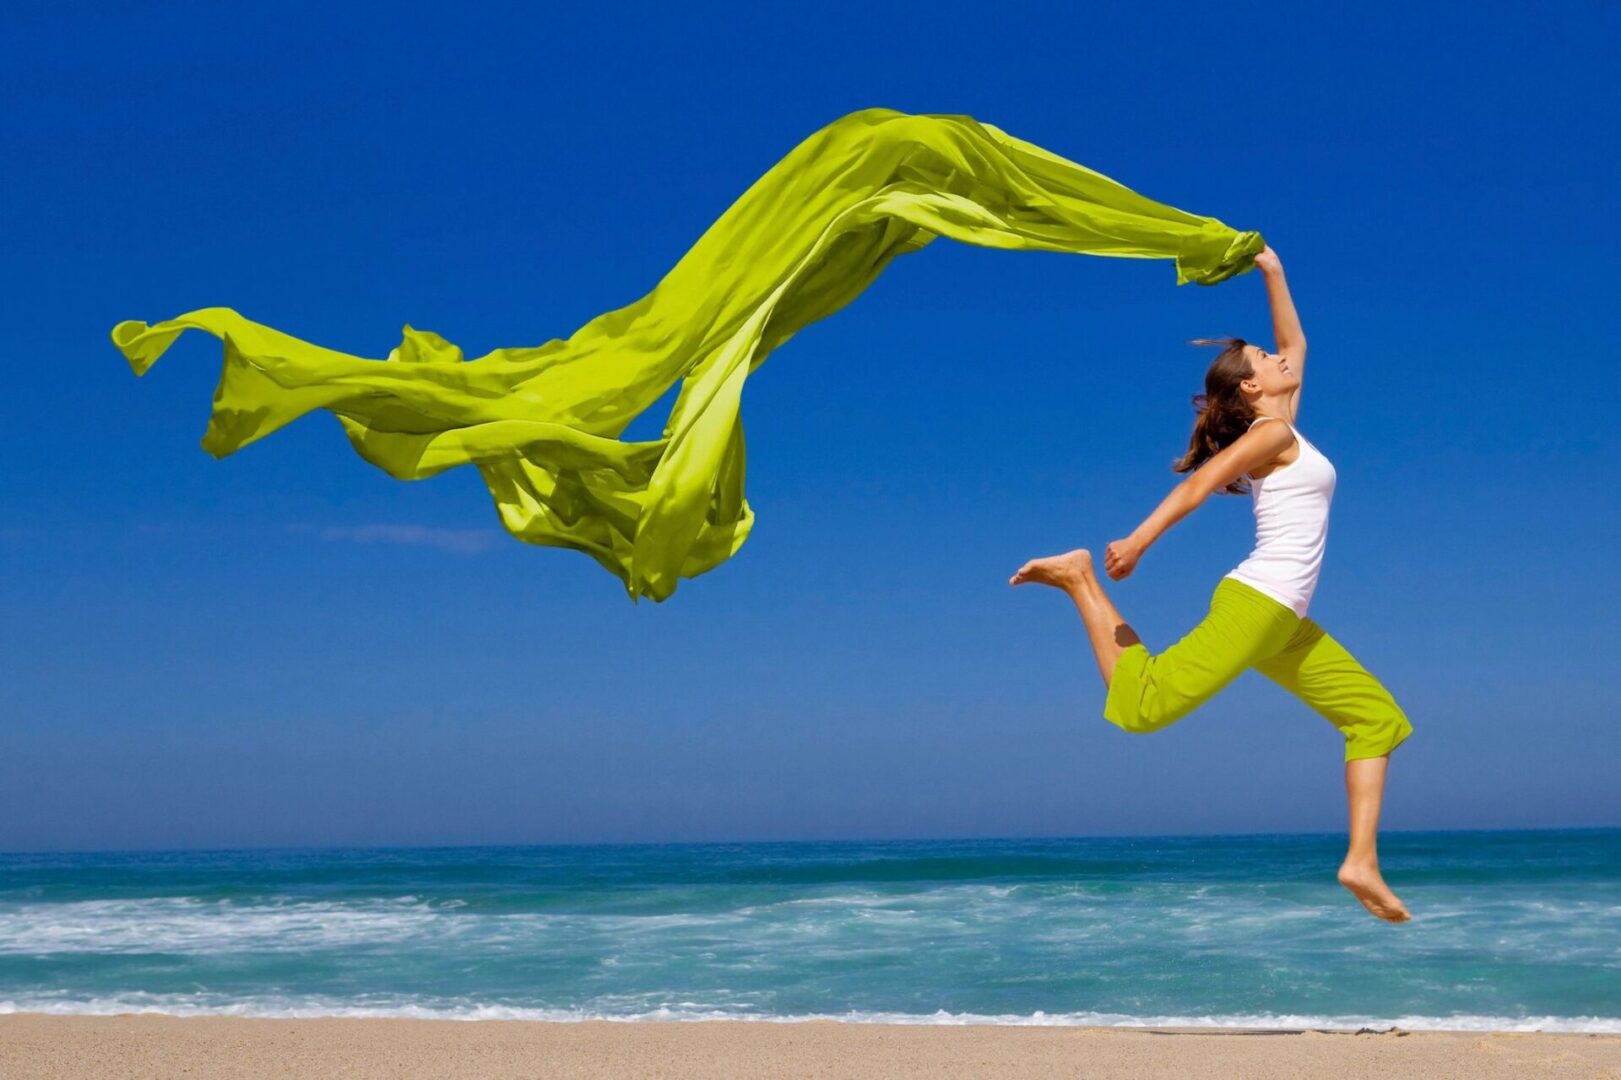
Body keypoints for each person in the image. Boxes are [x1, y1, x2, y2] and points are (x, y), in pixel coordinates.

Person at [1009, 245, 1414, 923]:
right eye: (1263, 360)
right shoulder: (1270, 431)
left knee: (1375, 718)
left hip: (1282, 620)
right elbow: (1199, 483)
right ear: (1254, 388)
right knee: (1143, 710)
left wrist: (1271, 268)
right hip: (1256, 603)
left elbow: (1295, 340)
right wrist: (1136, 541)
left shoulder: (1284, 421)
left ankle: (1360, 861)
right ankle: (1080, 578)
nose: (1280, 360)